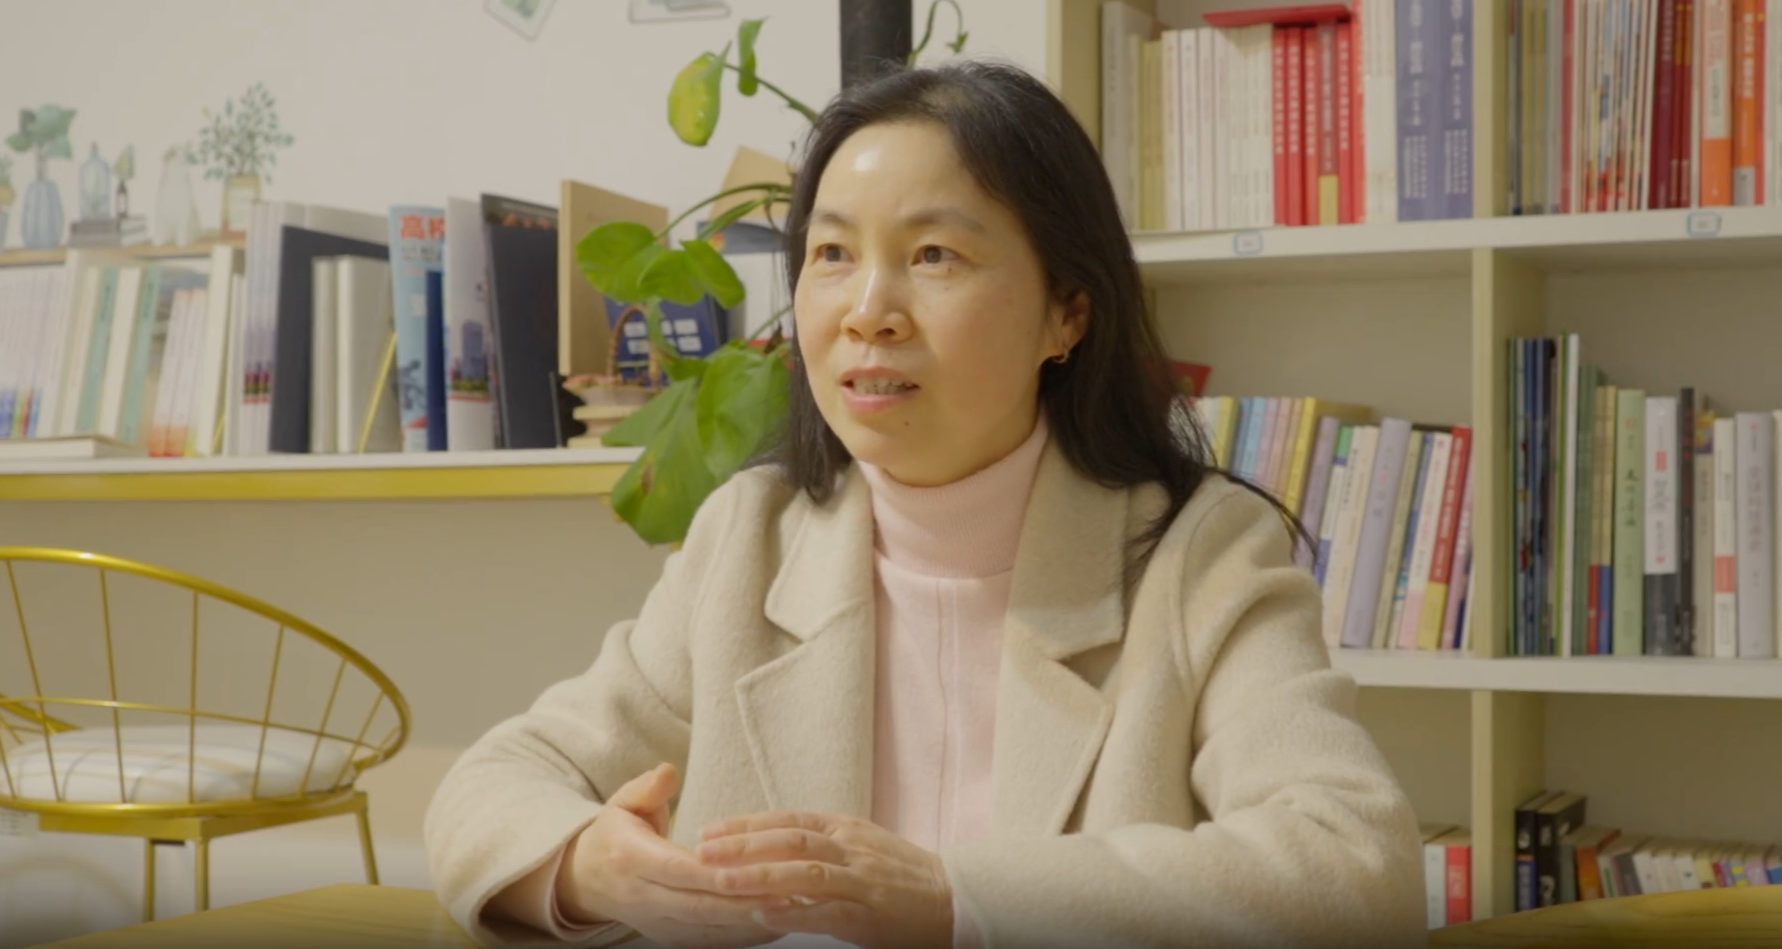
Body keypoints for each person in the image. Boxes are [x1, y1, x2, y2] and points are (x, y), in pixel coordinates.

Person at [424, 60, 1428, 949]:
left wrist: (956, 903)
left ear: (1068, 313)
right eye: (832, 255)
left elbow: (1354, 867)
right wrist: (588, 867)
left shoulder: (1198, 553)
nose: (869, 311)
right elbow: (498, 779)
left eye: (934, 255)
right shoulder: (751, 537)